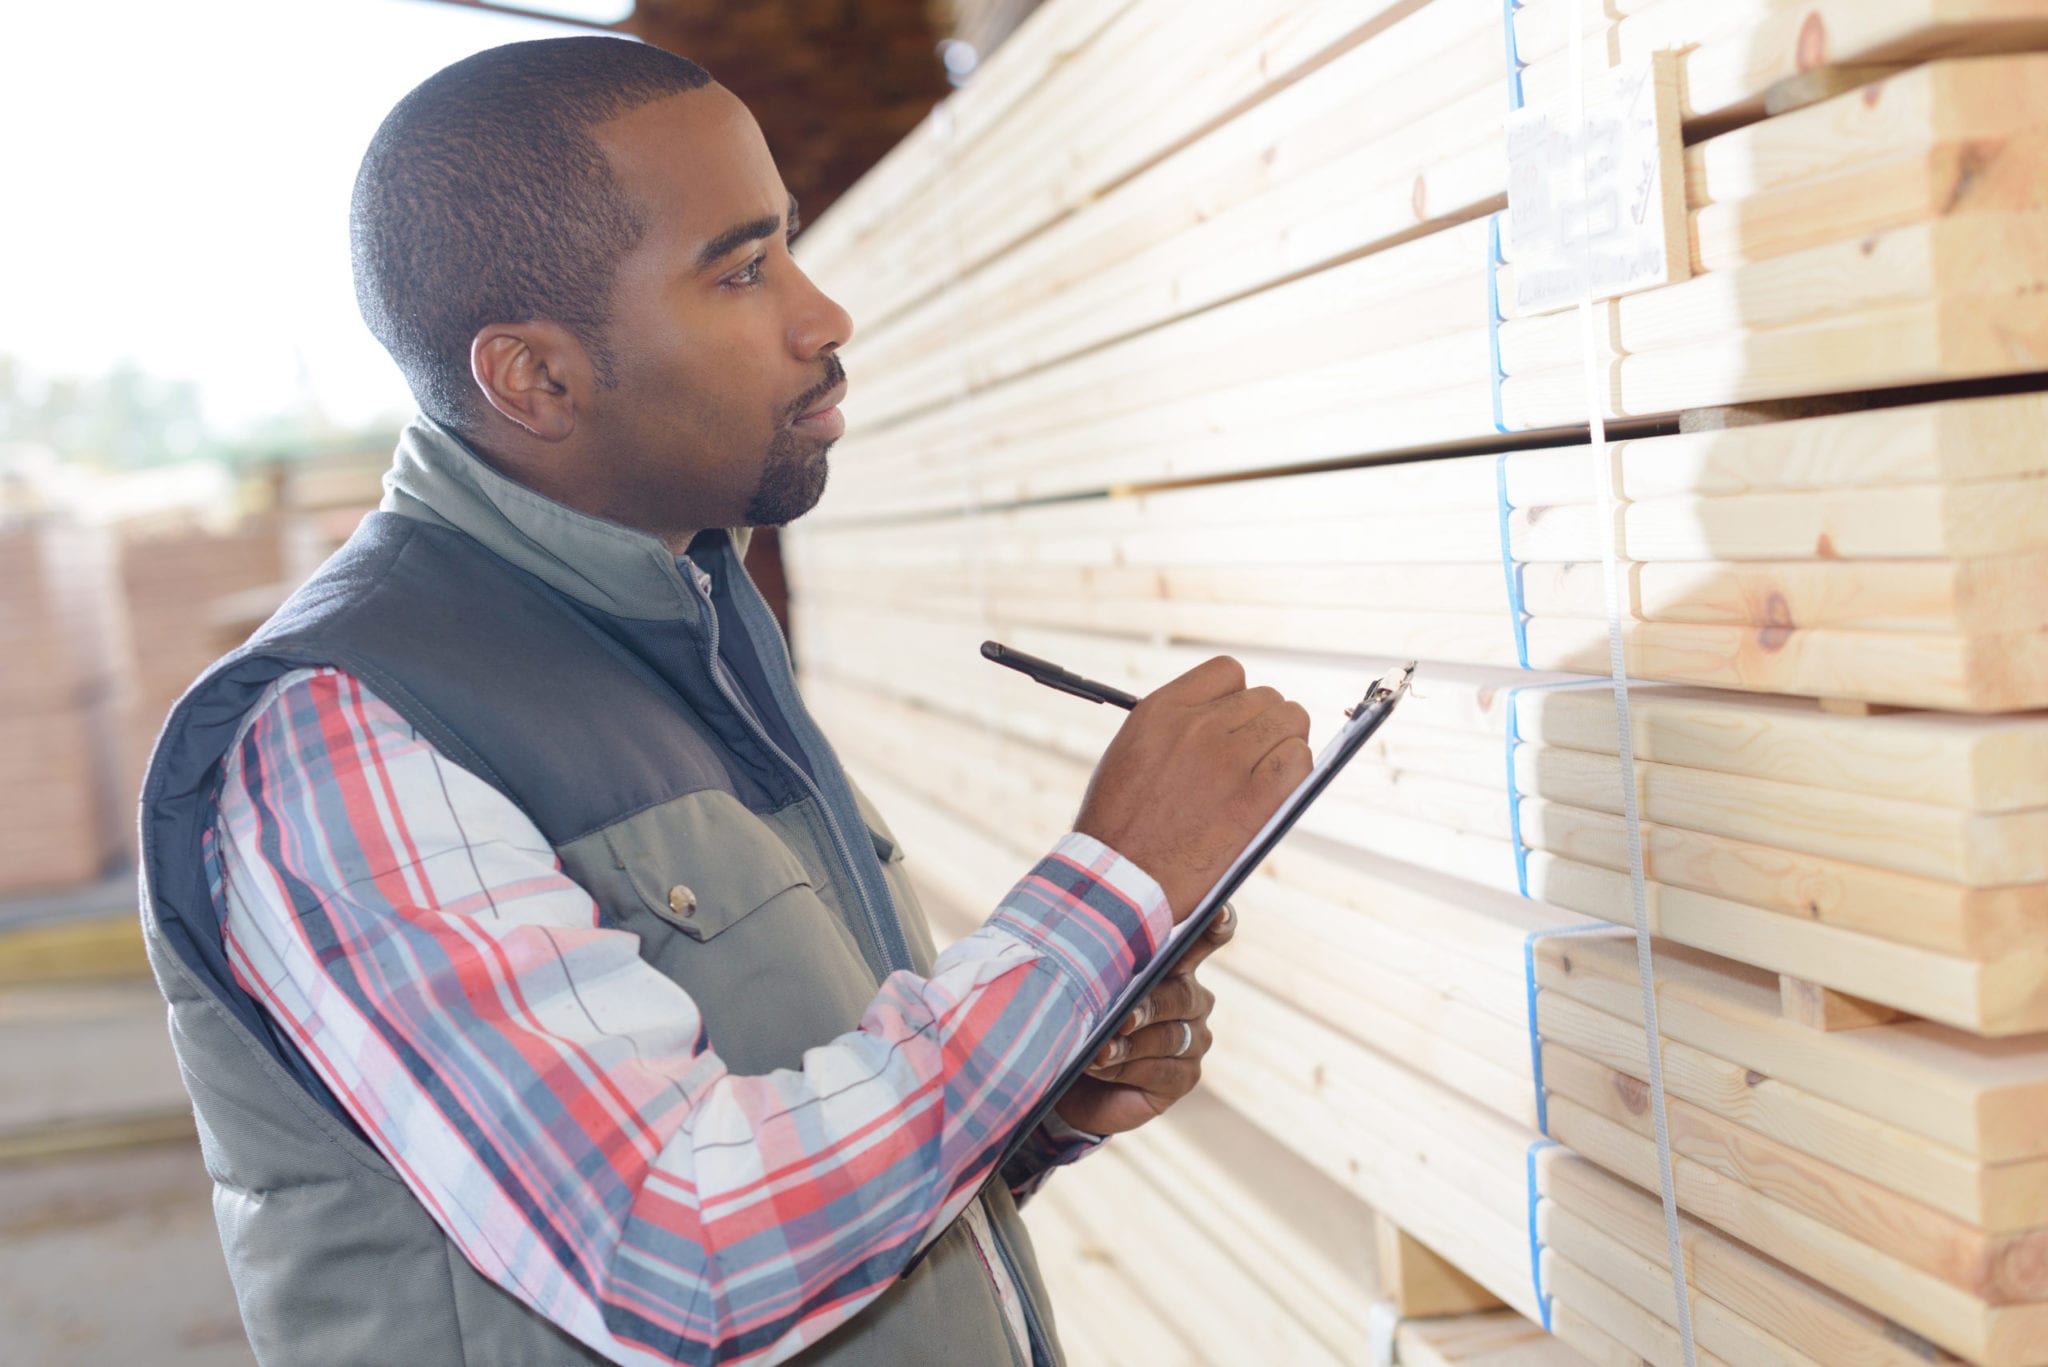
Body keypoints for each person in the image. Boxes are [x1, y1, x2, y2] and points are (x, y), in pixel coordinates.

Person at [137, 35, 1312, 1367]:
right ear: (537, 377)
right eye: (743, 271)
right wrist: (1110, 889)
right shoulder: (347, 736)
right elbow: (676, 1259)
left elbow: (775, 1121)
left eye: (790, 250)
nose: (824, 318)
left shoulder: (688, 632)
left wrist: (1040, 1095)